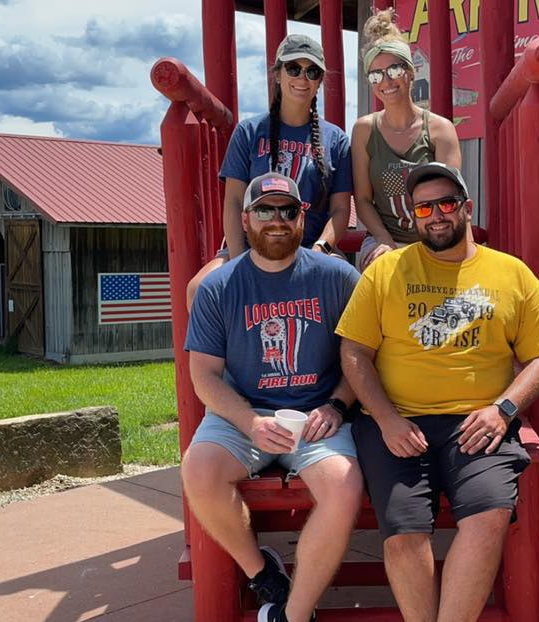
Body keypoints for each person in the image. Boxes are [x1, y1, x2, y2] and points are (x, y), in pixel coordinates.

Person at [336, 162, 539, 622]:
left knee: (490, 517)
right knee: (404, 530)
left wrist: (503, 409)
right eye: (423, 208)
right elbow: (354, 352)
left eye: (446, 203)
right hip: (395, 421)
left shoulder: (513, 274)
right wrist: (386, 418)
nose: (435, 215)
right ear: (413, 216)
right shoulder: (385, 272)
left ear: (466, 208)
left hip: (479, 422)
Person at [182, 172, 363, 622]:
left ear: (303, 218)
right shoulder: (217, 287)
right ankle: (264, 573)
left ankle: (293, 614)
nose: (276, 220)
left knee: (344, 489)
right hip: (244, 413)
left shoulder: (338, 276)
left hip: (317, 414)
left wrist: (337, 404)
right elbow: (203, 375)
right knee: (199, 472)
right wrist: (250, 423)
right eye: (264, 210)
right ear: (245, 219)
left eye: (288, 210)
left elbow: (362, 359)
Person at [186, 33, 353, 309]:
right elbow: (235, 202)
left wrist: (320, 249)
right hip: (254, 245)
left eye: (312, 71)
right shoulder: (249, 132)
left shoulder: (335, 139)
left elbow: (340, 210)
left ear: (320, 81)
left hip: (309, 246)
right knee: (198, 290)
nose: (302, 78)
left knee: (353, 288)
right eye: (293, 68)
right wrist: (242, 262)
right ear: (277, 74)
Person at [352, 9, 463, 271]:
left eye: (394, 69)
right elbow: (363, 199)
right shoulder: (364, 130)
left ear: (411, 72)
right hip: (383, 241)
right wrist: (385, 242)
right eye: (376, 74)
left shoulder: (440, 129)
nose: (386, 80)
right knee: (380, 269)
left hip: (435, 240)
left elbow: (452, 200)